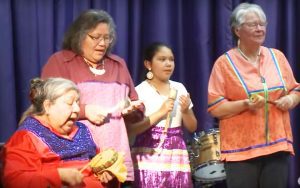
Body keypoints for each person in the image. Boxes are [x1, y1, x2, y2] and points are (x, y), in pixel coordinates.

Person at [41, 10, 141, 184]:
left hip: (116, 163)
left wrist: (133, 110)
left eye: (107, 38)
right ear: (79, 36)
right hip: (77, 163)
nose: (102, 43)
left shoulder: (119, 65)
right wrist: (85, 110)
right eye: (95, 37)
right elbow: (44, 107)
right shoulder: (60, 62)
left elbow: (136, 107)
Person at [207, 3, 300, 188]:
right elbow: (216, 108)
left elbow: (295, 90)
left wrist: (290, 99)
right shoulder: (224, 64)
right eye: (252, 24)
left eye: (262, 24)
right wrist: (246, 104)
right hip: (241, 152)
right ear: (237, 30)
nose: (260, 29)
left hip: (277, 146)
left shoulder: (277, 57)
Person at [1, 77, 115, 188]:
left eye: (77, 103)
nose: (77, 109)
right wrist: (58, 176)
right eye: (70, 103)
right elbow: (14, 181)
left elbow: (98, 162)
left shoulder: (83, 129)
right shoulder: (25, 137)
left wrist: (106, 172)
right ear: (48, 106)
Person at [128, 42, 197, 187]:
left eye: (171, 59)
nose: (168, 64)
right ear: (148, 64)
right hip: (149, 152)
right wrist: (160, 113)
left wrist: (185, 111)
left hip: (176, 153)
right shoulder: (139, 91)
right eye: (162, 59)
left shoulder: (179, 88)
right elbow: (132, 129)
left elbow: (192, 127)